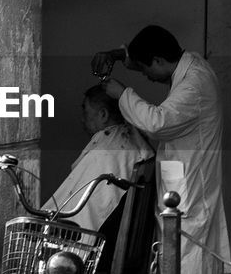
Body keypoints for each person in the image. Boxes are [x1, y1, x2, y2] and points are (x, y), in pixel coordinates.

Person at [93, 25, 230, 274]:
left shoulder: (195, 83)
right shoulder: (189, 63)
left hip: (189, 182)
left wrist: (121, 92)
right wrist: (118, 55)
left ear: (158, 59)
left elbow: (156, 122)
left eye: (146, 69)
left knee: (187, 267)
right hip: (180, 174)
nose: (148, 78)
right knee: (180, 264)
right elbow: (147, 60)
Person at [42, 85, 153, 240]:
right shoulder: (127, 145)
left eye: (86, 113)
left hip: (85, 239)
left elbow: (86, 212)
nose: (82, 119)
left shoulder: (107, 152)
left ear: (103, 115)